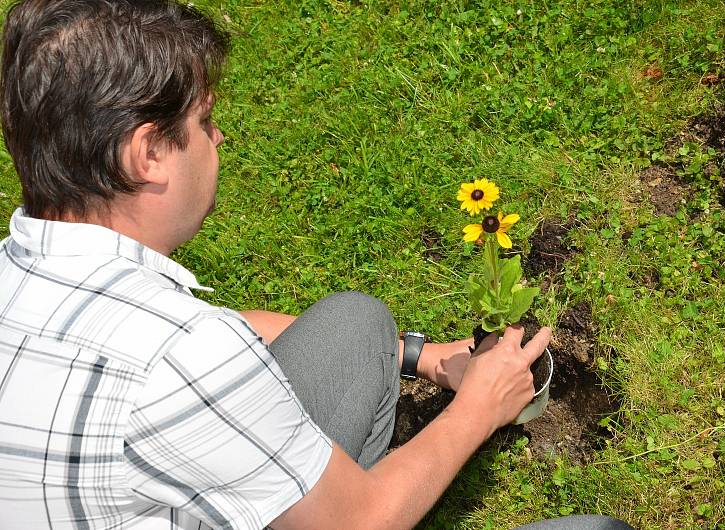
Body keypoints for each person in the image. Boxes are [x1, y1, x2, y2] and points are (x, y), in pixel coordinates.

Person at [0, 1, 633, 529]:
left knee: (357, 325)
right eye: (204, 121)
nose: (219, 140)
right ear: (147, 155)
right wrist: (480, 407)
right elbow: (362, 518)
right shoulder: (182, 358)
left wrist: (422, 356)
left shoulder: (22, 272)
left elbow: (221, 333)